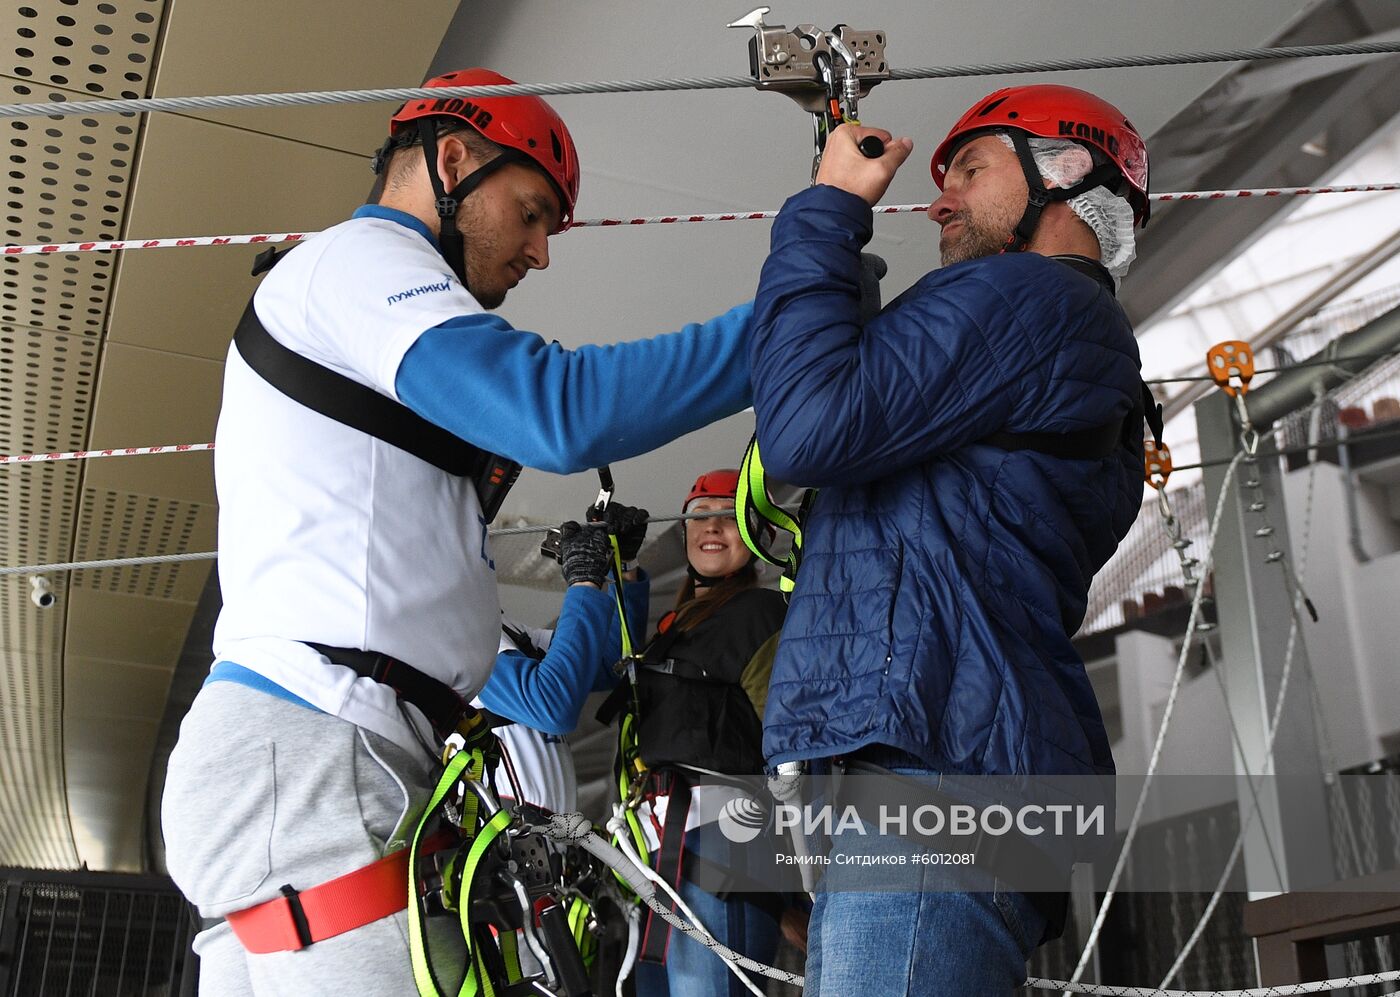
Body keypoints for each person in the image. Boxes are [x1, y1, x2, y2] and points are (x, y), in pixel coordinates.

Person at [161, 68, 754, 997]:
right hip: (319, 737)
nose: (540, 253)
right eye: (530, 213)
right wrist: (782, 331)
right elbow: (558, 411)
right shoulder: (364, 262)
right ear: (451, 159)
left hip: (303, 745)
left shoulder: (351, 305)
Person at [748, 85, 1152, 995]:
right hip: (958, 772)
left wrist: (829, 210)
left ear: (1066, 172)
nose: (940, 195)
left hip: (937, 783)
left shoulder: (1028, 295)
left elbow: (808, 428)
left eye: (972, 167)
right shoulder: (1068, 337)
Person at [622, 470, 787, 997]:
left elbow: (789, 743)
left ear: (757, 534)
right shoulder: (679, 624)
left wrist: (793, 890)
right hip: (662, 845)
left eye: (728, 516)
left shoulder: (761, 614)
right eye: (698, 516)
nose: (710, 527)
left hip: (724, 843)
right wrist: (622, 573)